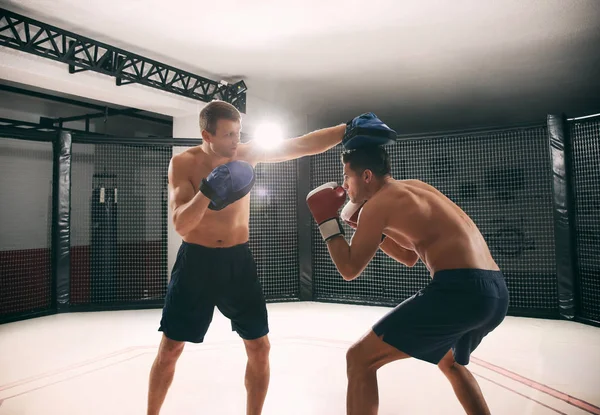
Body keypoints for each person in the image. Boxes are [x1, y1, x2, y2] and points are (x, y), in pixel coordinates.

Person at [147, 100, 377, 415]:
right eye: (228, 135)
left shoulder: (246, 153)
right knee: (170, 349)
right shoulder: (183, 163)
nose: (235, 141)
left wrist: (345, 130)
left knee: (259, 347)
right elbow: (181, 223)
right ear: (206, 134)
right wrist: (208, 192)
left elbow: (299, 146)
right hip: (196, 262)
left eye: (238, 133)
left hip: (238, 262)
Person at [306, 145, 509, 415]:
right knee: (450, 362)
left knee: (359, 359)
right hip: (495, 291)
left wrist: (326, 220)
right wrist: (364, 227)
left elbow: (349, 268)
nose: (344, 185)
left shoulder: (377, 206)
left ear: (366, 176)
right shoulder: (415, 187)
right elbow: (408, 255)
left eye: (346, 176)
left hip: (461, 290)